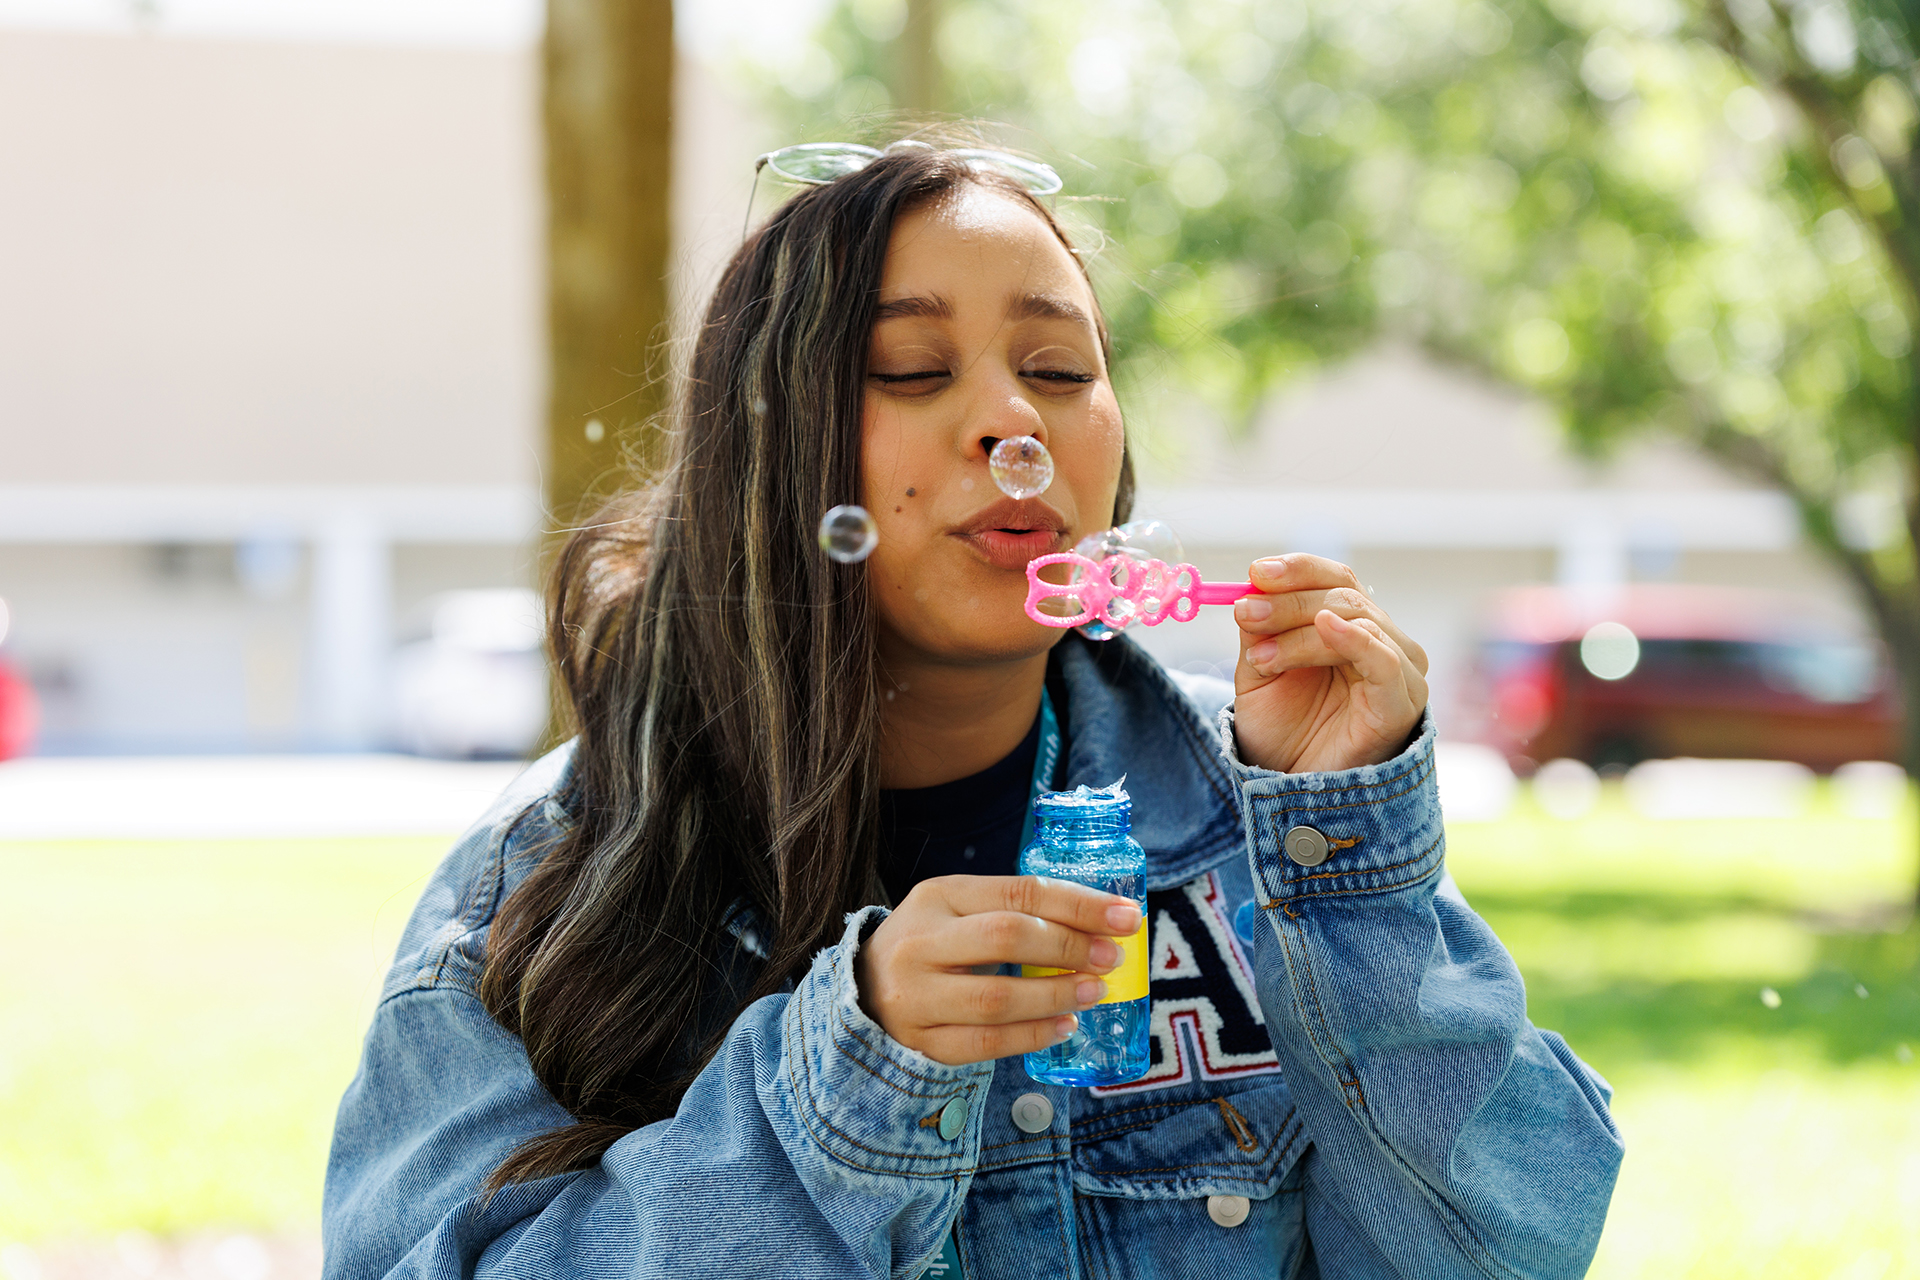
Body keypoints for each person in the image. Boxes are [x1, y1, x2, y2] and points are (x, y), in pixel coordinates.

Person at [323, 139, 1623, 1279]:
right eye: (908, 368)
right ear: (766, 451)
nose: (1012, 421)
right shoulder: (548, 879)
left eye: (1059, 369)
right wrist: (859, 1077)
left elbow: (1499, 1252)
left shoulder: (1262, 817)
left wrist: (1346, 865)